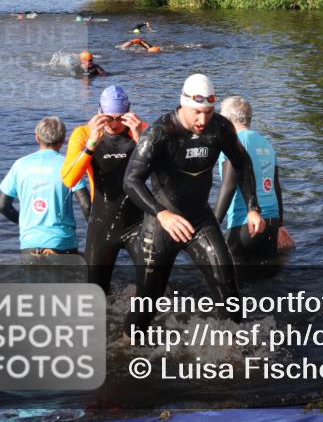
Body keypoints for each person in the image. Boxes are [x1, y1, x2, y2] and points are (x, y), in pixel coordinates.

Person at [122, 74, 265, 333]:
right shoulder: (159, 133)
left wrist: (253, 208)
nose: (203, 120)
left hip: (200, 220)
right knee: (147, 303)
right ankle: (126, 345)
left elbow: (242, 163)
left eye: (209, 112)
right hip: (161, 226)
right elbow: (131, 181)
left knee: (229, 290)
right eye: (197, 112)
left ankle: (237, 351)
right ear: (183, 105)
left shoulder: (220, 128)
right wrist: (162, 214)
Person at [62, 86, 146, 293]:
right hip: (102, 222)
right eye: (109, 118)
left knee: (152, 287)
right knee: (95, 291)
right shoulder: (82, 134)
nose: (114, 124)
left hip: (139, 223)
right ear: (99, 112)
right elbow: (69, 180)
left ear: (129, 113)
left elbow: (161, 174)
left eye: (120, 118)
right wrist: (91, 144)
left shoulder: (142, 129)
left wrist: (139, 139)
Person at [0, 116, 90, 257]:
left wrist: (23, 223)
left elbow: (3, 206)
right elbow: (86, 205)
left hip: (29, 244)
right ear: (63, 140)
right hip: (62, 244)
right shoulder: (69, 166)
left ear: (37, 138)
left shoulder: (20, 165)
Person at [214, 96, 291, 261]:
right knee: (264, 280)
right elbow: (276, 187)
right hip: (272, 221)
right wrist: (280, 225)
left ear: (228, 119)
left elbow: (229, 186)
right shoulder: (266, 143)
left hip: (245, 223)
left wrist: (212, 226)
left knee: (232, 280)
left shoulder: (233, 143)